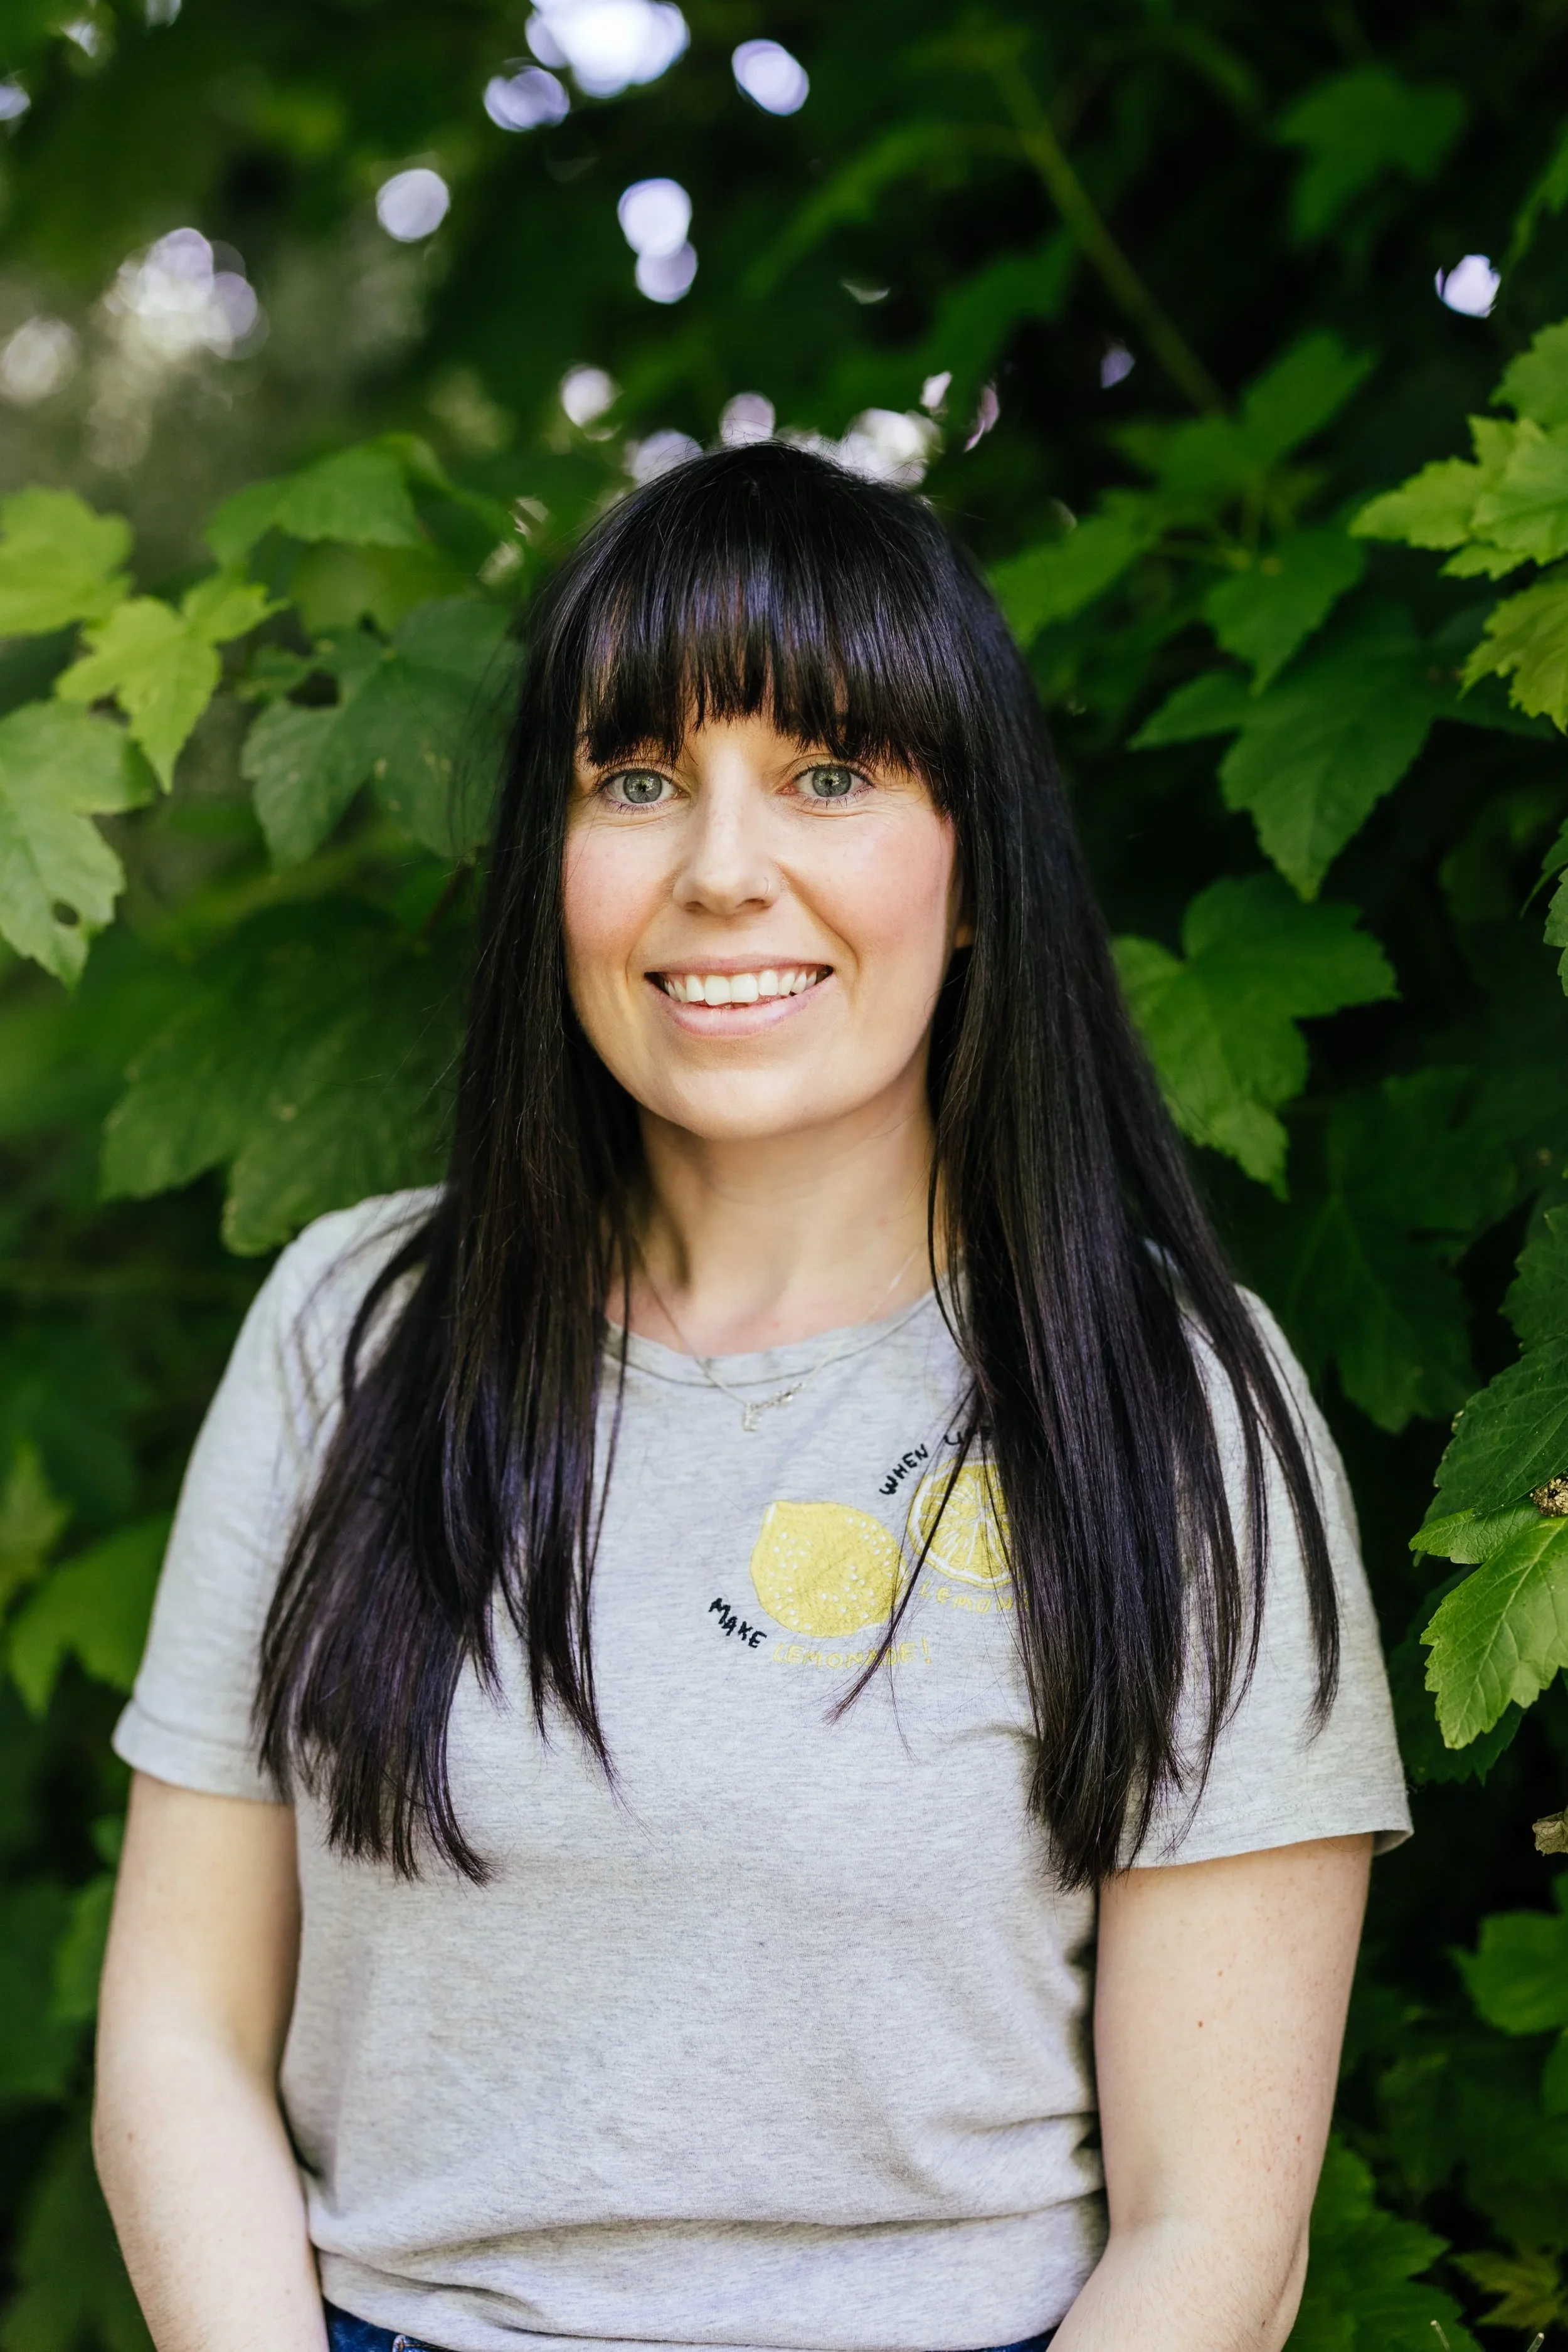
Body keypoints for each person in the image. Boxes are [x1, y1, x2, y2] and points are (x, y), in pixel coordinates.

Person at [93, 443, 1411, 2352]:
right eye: (636, 780)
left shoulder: (1167, 1395)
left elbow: (1216, 2234)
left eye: (830, 772)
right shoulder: (352, 1329)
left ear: (975, 870)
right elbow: (178, 2032)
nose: (719, 870)